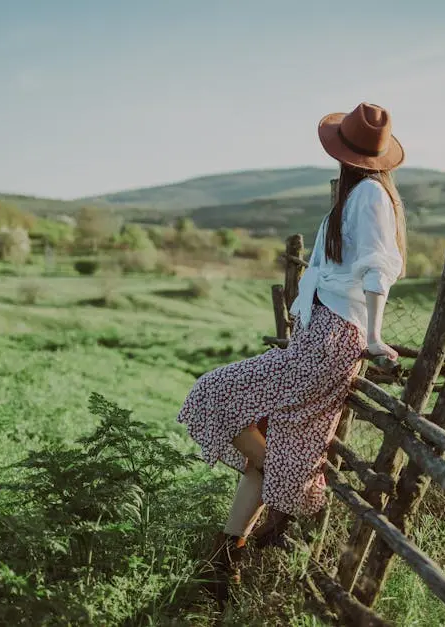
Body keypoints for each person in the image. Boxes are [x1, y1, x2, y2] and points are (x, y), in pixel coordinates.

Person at [177, 102, 407, 598]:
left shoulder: (369, 195)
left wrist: (372, 335)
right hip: (320, 334)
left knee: (213, 392)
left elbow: (378, 268)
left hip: (331, 340)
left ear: (346, 154)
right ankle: (227, 561)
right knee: (274, 440)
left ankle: (288, 494)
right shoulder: (360, 194)